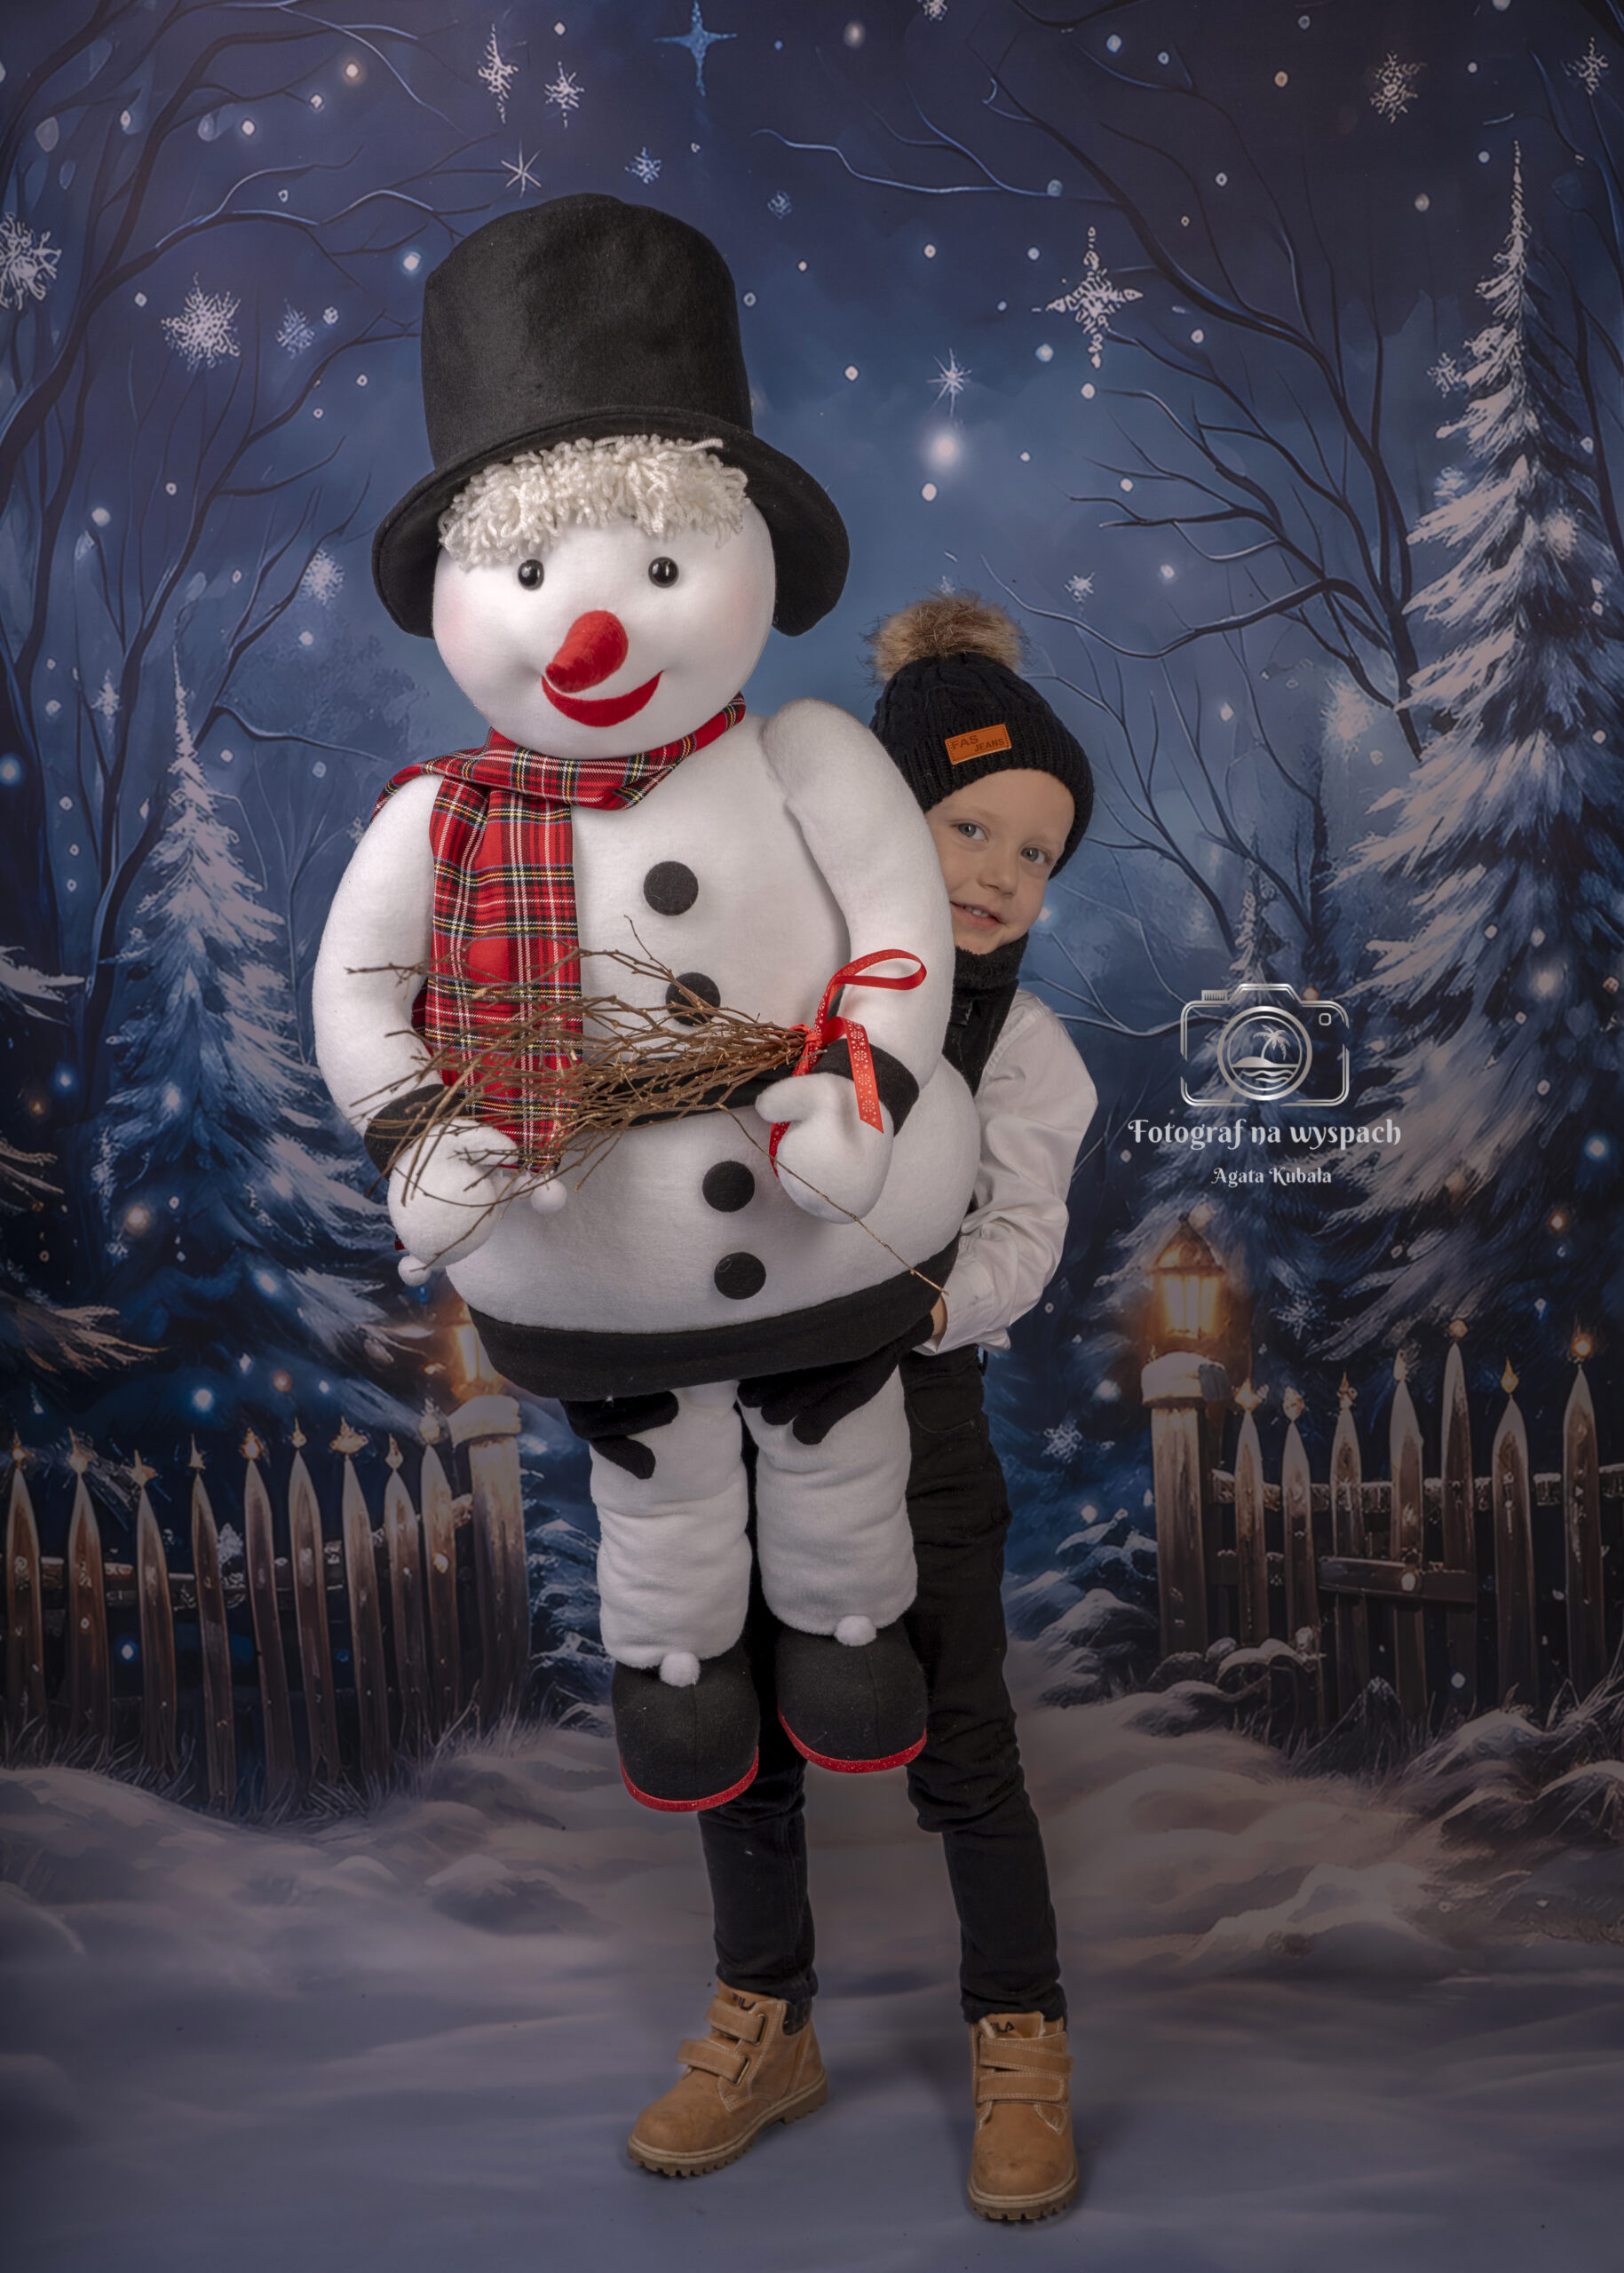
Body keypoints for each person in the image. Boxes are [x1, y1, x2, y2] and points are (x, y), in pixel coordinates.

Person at [627, 594, 1099, 2223]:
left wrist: (915, 1310)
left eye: (1036, 853)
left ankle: (1019, 2039)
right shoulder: (761, 985)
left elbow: (1021, 1237)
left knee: (961, 1743)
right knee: (740, 1731)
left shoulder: (1023, 1046)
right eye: (968, 828)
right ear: (880, 820)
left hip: (915, 1422)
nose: (1000, 872)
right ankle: (766, 2023)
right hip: (731, 1419)